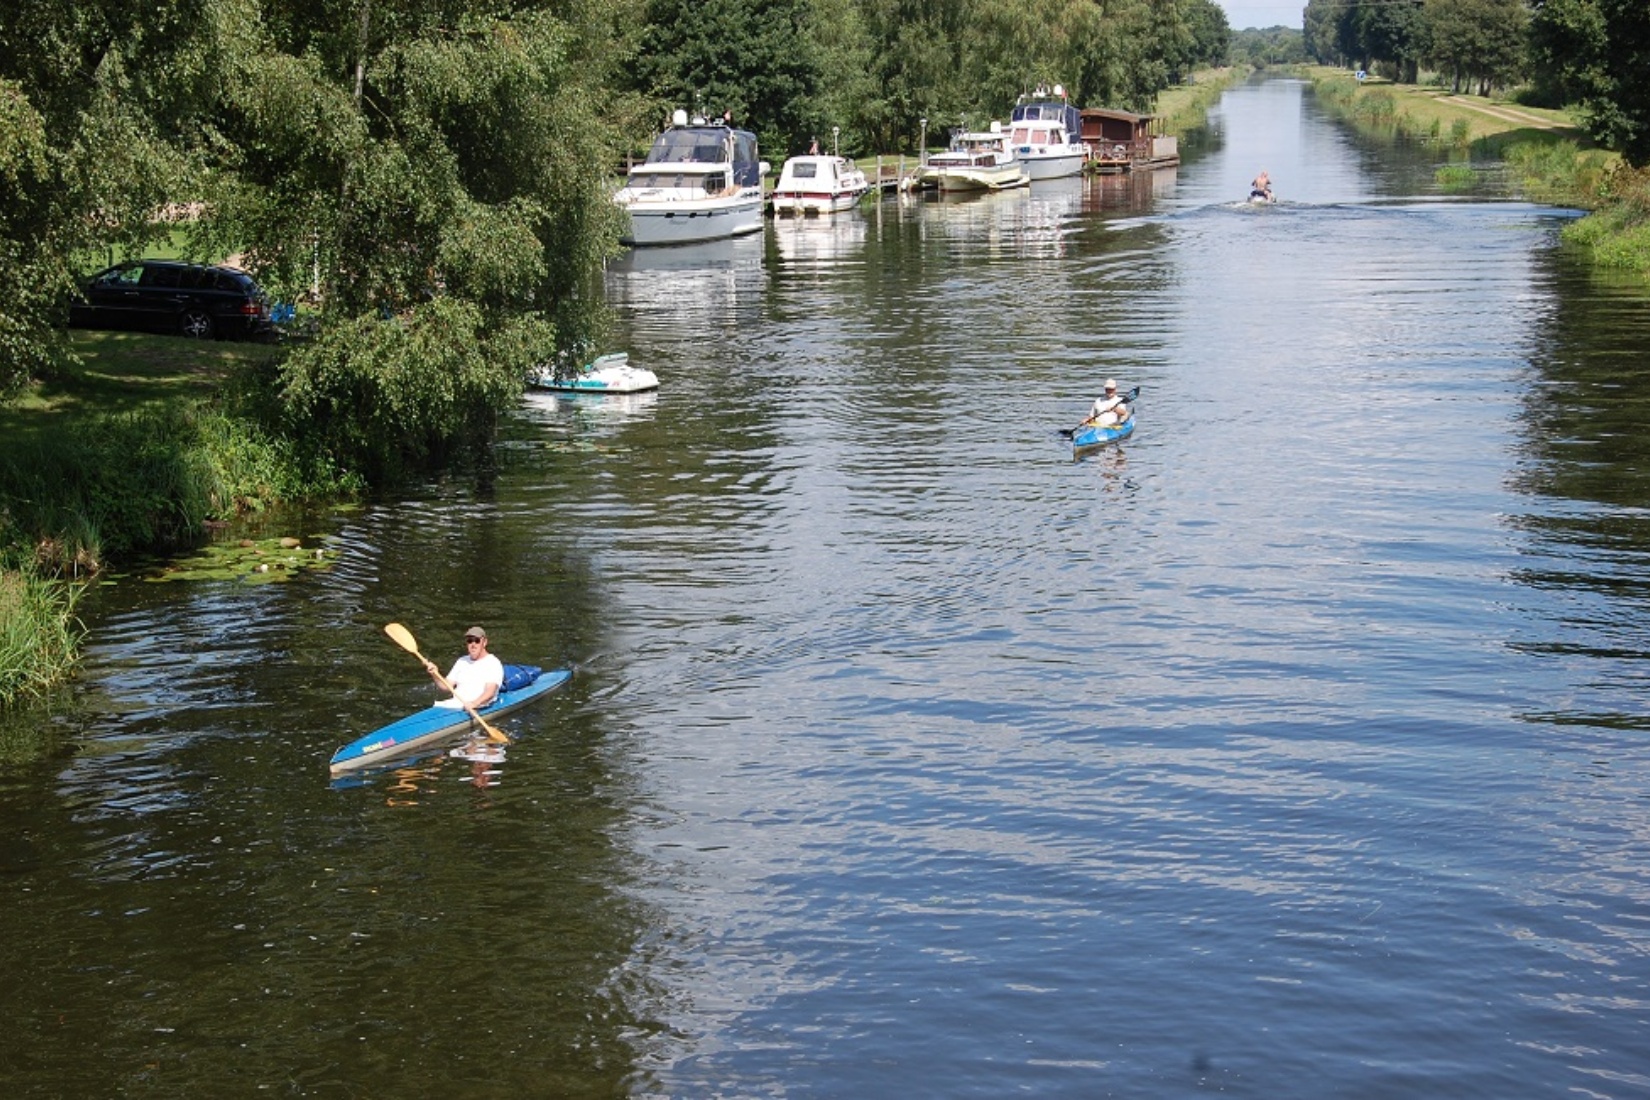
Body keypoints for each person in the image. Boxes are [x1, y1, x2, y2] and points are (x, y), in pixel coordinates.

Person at [426, 626, 504, 710]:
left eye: (477, 641)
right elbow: (446, 687)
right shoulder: (461, 661)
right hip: (455, 705)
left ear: (484, 642)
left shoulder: (493, 663)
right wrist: (435, 674)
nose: (473, 644)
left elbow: (490, 692)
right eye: (470, 641)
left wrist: (474, 703)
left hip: (479, 707)